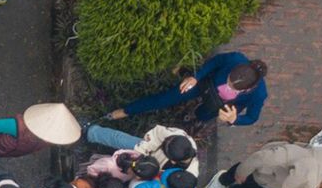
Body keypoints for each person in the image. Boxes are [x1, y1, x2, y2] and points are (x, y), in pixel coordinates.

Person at [106, 53, 267, 131]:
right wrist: (196, 77)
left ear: (247, 89)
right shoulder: (235, 59)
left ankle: (193, 118)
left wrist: (235, 119)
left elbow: (252, 118)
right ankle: (127, 111)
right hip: (205, 84)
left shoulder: (259, 94)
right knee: (168, 97)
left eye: (233, 87)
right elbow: (215, 62)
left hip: (221, 105)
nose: (228, 84)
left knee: (203, 115)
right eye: (229, 79)